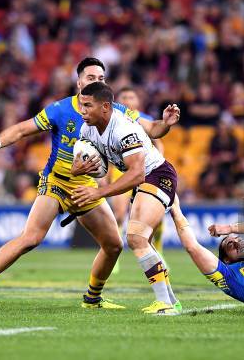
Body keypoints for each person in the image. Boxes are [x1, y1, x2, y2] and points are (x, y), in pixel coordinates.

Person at [0, 57, 178, 310]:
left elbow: (152, 129)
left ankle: (92, 299)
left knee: (114, 245)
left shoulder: (115, 110)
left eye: (101, 78)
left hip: (87, 187)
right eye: (91, 78)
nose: (96, 81)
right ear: (79, 80)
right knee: (31, 238)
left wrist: (165, 124)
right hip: (57, 181)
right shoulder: (60, 109)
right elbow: (22, 130)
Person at [71, 82, 181, 315]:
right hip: (144, 180)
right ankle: (172, 300)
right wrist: (78, 169)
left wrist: (98, 192)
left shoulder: (123, 128)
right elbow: (89, 163)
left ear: (105, 107)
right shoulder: (87, 129)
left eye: (88, 106)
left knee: (135, 238)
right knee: (143, 241)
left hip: (158, 175)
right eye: (81, 105)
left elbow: (137, 173)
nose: (82, 111)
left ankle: (166, 304)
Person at [109, 87, 166, 275]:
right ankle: (112, 255)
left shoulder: (141, 118)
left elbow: (158, 142)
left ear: (137, 101)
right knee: (118, 213)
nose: (127, 99)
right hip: (121, 171)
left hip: (145, 169)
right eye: (123, 96)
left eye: (131, 96)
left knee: (156, 218)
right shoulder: (112, 118)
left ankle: (158, 252)